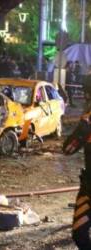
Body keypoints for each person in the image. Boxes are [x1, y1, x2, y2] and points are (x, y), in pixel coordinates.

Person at [63, 85, 91, 249]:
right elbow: (68, 149)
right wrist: (82, 129)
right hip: (88, 192)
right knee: (79, 235)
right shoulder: (87, 126)